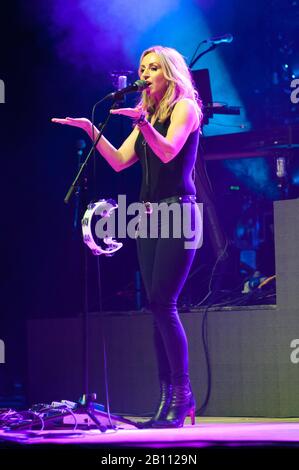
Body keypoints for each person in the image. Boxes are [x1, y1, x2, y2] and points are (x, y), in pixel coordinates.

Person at [52, 45, 203, 428]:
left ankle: (183, 395)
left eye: (154, 67)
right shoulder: (146, 116)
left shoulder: (184, 107)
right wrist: (90, 130)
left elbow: (169, 153)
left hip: (178, 212)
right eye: (142, 67)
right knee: (155, 308)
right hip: (150, 217)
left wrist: (143, 123)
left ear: (169, 73)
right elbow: (120, 161)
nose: (146, 73)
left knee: (162, 302)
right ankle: (167, 398)